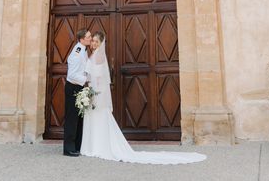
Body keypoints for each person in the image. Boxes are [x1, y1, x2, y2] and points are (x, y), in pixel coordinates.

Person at [80, 32, 206, 165]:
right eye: (92, 41)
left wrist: (92, 91)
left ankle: (97, 147)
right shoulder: (94, 55)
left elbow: (98, 78)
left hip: (97, 92)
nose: (93, 43)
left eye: (96, 41)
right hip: (94, 90)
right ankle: (96, 145)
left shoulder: (98, 56)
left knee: (98, 117)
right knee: (97, 117)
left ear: (101, 43)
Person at [63, 28, 92, 156]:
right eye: (88, 37)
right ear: (81, 39)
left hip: (79, 88)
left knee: (79, 118)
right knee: (72, 119)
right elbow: (72, 75)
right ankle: (68, 148)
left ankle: (77, 146)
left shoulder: (84, 50)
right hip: (73, 88)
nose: (90, 39)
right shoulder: (77, 52)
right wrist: (86, 80)